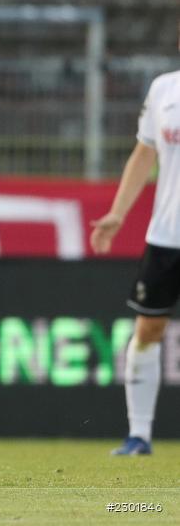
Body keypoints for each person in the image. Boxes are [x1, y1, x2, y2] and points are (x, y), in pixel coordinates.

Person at [90, 32, 180, 456]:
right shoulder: (164, 89)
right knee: (148, 329)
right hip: (167, 236)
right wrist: (117, 213)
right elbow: (144, 155)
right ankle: (139, 434)